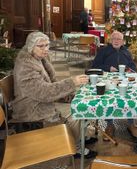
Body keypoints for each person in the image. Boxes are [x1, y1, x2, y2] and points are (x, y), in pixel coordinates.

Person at [11, 31, 97, 159]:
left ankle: (80, 137)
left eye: (47, 45)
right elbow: (43, 92)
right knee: (76, 113)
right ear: (30, 46)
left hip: (39, 99)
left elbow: (51, 85)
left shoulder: (38, 58)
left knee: (81, 103)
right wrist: (72, 82)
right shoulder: (25, 66)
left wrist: (70, 94)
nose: (46, 49)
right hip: (31, 107)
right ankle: (76, 148)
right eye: (41, 46)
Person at [91, 31, 137, 139]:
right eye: (114, 38)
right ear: (110, 40)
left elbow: (133, 67)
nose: (116, 41)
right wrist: (108, 68)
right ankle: (109, 125)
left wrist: (130, 71)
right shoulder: (104, 51)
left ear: (122, 42)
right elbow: (95, 66)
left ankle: (131, 123)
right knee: (109, 99)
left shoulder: (126, 52)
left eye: (119, 39)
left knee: (130, 97)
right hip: (108, 80)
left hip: (124, 80)